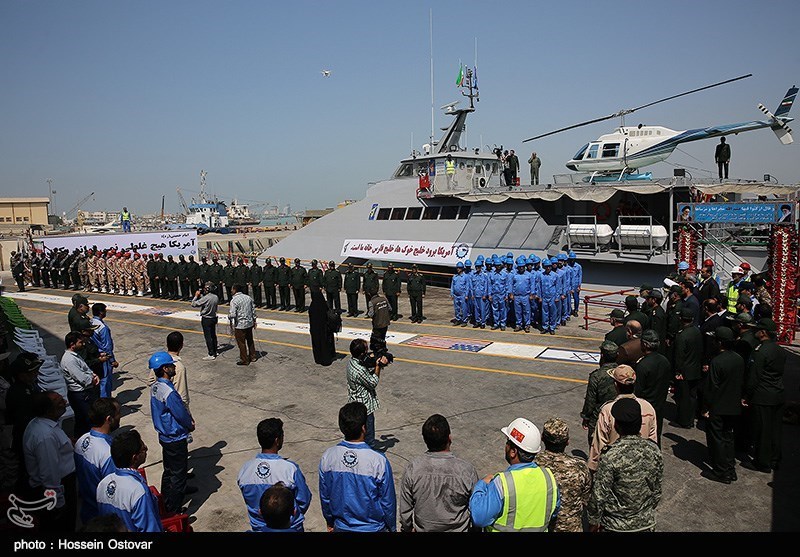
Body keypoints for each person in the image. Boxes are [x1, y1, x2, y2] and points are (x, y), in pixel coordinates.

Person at [469, 417, 560, 531]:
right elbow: (553, 512)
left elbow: (479, 518)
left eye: (508, 443)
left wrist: (481, 485)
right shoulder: (548, 478)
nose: (505, 446)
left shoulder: (502, 483)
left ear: (513, 452)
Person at [587, 398, 663, 532]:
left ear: (616, 426)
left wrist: (593, 521)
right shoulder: (654, 450)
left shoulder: (611, 456)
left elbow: (599, 495)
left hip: (615, 525)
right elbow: (657, 489)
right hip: (645, 523)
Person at [318, 401, 396, 532]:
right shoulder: (378, 461)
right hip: (374, 528)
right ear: (364, 428)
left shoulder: (328, 457)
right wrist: (392, 528)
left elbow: (325, 496)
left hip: (341, 527)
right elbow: (388, 502)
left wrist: (330, 520)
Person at [399, 414, 479, 532]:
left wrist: (408, 528)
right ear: (449, 438)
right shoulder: (466, 471)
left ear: (425, 440)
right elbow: (477, 512)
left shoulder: (413, 469)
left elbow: (405, 512)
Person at [237, 417, 312, 532]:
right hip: (290, 527)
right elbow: (304, 500)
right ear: (277, 440)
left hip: (259, 527)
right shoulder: (290, 469)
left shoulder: (246, 470)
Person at [22, 391, 77, 532]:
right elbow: (50, 474)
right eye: (59, 402)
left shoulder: (45, 425)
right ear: (48, 410)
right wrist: (58, 503)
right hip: (58, 489)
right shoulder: (45, 436)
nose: (64, 402)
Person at [149, 351, 195, 515]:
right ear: (165, 369)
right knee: (178, 473)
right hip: (175, 436)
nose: (174, 367)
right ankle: (174, 510)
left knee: (169, 471)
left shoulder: (156, 387)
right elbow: (179, 413)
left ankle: (166, 500)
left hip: (165, 436)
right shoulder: (168, 392)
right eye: (171, 365)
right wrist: (190, 424)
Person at [588, 365, 658, 472]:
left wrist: (593, 467)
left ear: (616, 385)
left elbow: (599, 443)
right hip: (641, 467)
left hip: (615, 467)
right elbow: (652, 440)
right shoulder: (648, 407)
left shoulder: (608, 410)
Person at [742, 318, 786, 473]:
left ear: (763, 333)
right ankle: (775, 458)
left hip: (763, 396)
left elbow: (754, 377)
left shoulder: (760, 352)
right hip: (778, 394)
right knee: (775, 429)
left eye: (758, 330)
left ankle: (762, 461)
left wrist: (746, 395)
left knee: (762, 430)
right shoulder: (780, 350)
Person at [96, 429, 162, 532]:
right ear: (134, 458)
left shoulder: (103, 484)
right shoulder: (138, 492)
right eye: (143, 448)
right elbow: (150, 529)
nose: (146, 448)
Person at [702, 326, 745, 483]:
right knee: (728, 437)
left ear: (719, 342)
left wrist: (706, 407)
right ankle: (730, 468)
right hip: (733, 406)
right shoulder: (738, 359)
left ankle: (721, 471)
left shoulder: (717, 361)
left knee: (717, 439)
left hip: (718, 406)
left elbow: (711, 387)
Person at [534, 418, 591, 532]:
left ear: (542, 438)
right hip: (571, 528)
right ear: (567, 442)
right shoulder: (580, 467)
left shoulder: (533, 464)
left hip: (541, 526)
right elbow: (586, 499)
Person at [74, 397, 120, 524]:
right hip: (103, 518)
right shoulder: (107, 453)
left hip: (87, 511)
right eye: (118, 414)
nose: (119, 417)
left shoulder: (82, 441)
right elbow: (114, 494)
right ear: (109, 419)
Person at [346, 338, 389, 448]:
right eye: (366, 350)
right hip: (364, 406)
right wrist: (378, 366)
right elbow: (372, 382)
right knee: (368, 435)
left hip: (355, 402)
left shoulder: (352, 362)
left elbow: (366, 370)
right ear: (361, 353)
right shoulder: (359, 370)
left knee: (358, 434)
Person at [633, 330, 672, 444]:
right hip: (659, 405)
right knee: (655, 435)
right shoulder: (664, 361)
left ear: (644, 345)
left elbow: (638, 390)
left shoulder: (643, 365)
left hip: (645, 407)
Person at [581, 341, 621, 447]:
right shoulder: (622, 373)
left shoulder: (597, 376)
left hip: (599, 417)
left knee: (595, 448)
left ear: (602, 356)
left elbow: (591, 399)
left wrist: (586, 417)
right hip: (618, 417)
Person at [61, 331, 100, 437]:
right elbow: (82, 378)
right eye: (80, 342)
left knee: (84, 420)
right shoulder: (69, 360)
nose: (83, 344)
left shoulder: (75, 356)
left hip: (84, 393)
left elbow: (85, 368)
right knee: (85, 421)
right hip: (80, 395)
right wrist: (93, 379)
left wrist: (93, 374)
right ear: (72, 344)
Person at [673, 306, 703, 429]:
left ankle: (684, 420)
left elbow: (679, 356)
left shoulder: (682, 335)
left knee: (683, 397)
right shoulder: (696, 331)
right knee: (692, 396)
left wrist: (678, 371)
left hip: (684, 370)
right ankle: (690, 419)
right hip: (695, 368)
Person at [147, 332, 190, 409]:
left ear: (167, 345)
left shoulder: (159, 361)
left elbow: (150, 381)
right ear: (181, 346)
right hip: (174, 408)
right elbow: (182, 395)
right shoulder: (179, 367)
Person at [90, 303, 118, 399]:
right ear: (101, 312)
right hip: (103, 357)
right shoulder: (103, 327)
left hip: (94, 356)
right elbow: (107, 346)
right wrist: (112, 360)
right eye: (105, 310)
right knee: (105, 382)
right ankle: (106, 403)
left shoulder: (91, 322)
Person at [229, 283, 258, 365]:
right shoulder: (248, 298)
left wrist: (229, 316)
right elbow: (253, 311)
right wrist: (254, 321)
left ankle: (244, 359)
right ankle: (253, 356)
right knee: (250, 340)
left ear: (234, 290)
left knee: (241, 343)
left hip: (240, 325)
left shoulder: (234, 300)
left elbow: (233, 314)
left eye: (232, 289)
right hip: (249, 323)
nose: (231, 291)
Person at [308, 288, 337, 366]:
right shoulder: (324, 305)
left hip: (315, 330)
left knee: (317, 344)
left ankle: (318, 359)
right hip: (325, 329)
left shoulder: (312, 306)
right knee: (325, 344)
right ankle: (327, 358)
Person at [192, 281, 219, 361]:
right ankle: (215, 350)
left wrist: (196, 296)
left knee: (208, 337)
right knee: (213, 335)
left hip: (206, 318)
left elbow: (194, 304)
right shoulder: (215, 297)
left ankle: (211, 353)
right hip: (213, 317)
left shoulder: (206, 298)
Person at [450, 261, 471, 326]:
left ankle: (464, 320)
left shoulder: (465, 276)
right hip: (456, 295)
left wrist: (466, 295)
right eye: (457, 268)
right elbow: (452, 285)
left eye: (459, 268)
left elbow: (467, 286)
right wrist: (452, 293)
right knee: (457, 308)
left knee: (464, 308)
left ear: (462, 268)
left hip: (463, 295)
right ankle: (458, 319)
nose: (458, 269)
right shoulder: (455, 277)